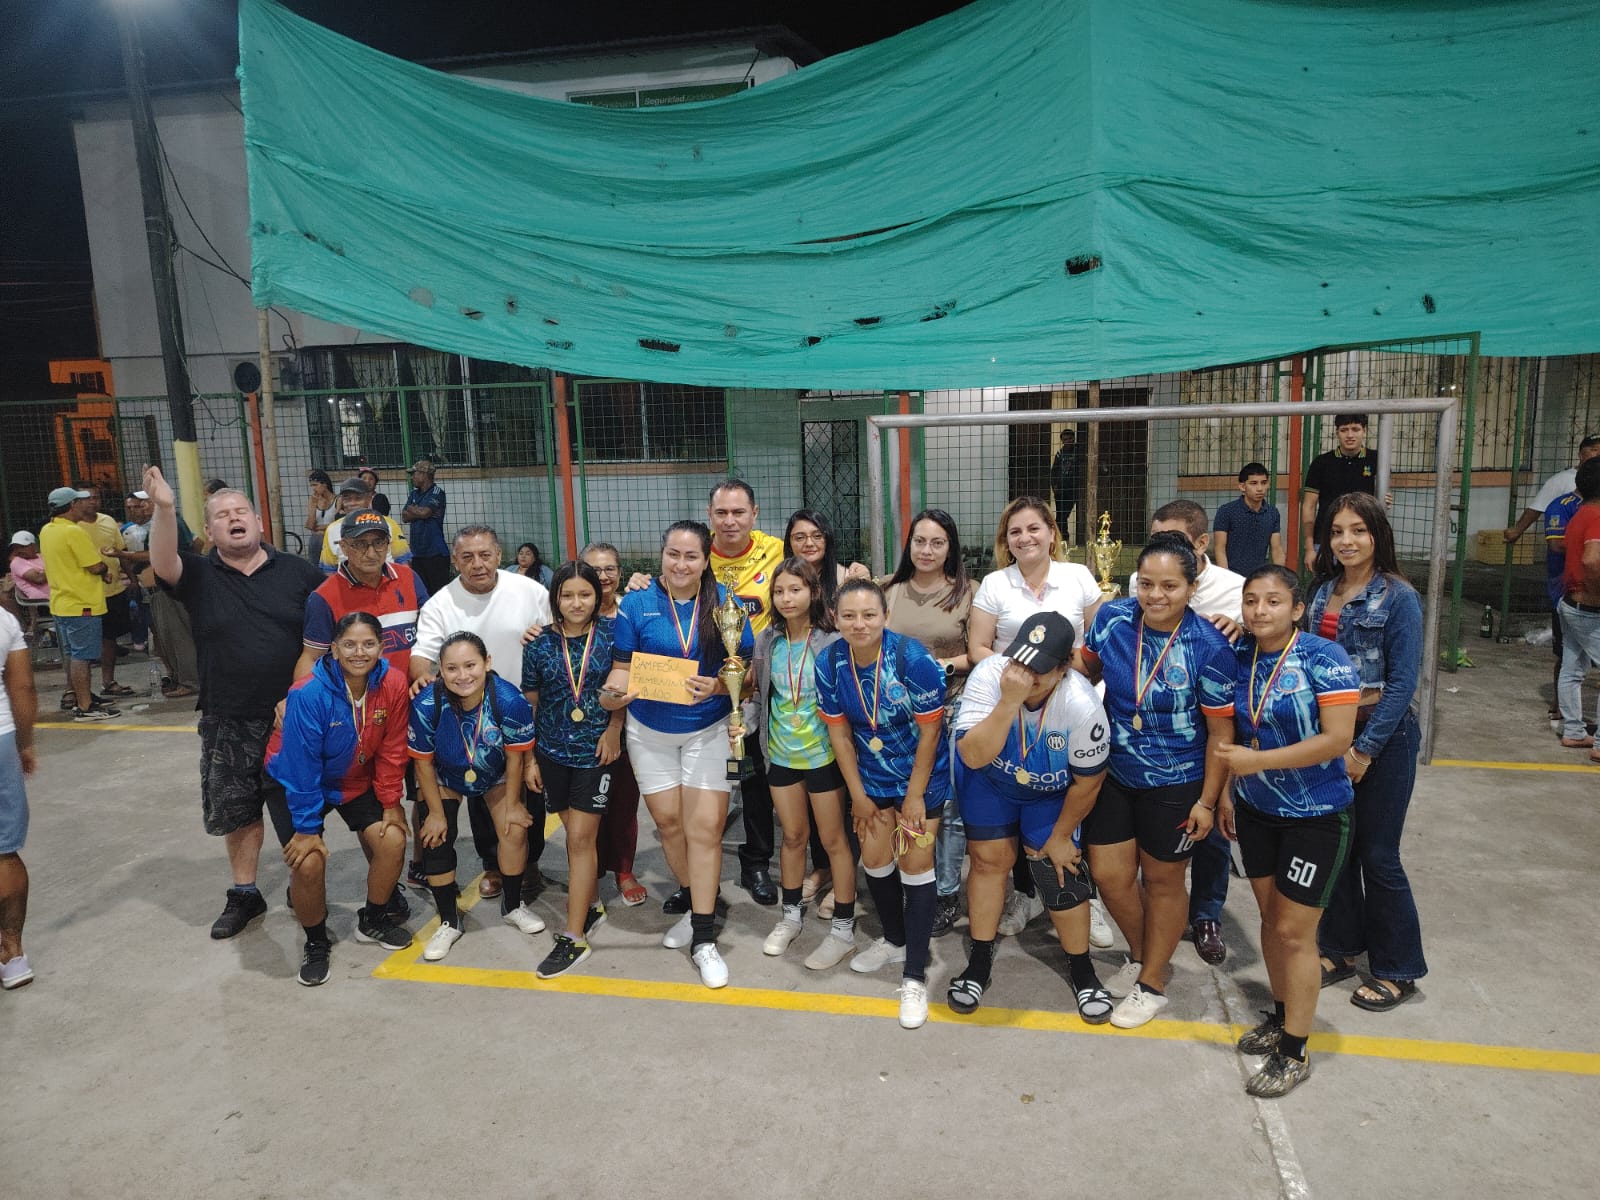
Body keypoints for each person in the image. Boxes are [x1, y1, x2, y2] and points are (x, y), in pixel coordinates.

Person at [145, 467, 326, 938]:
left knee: (297, 806)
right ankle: (245, 892)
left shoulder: (300, 573)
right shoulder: (199, 574)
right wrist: (164, 508)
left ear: (259, 522)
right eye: (222, 515)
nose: (233, 518)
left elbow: (327, 637)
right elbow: (162, 561)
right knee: (238, 809)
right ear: (210, 532)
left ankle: (302, 883)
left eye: (241, 511)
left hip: (293, 718)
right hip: (227, 716)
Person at [1079, 532, 1234, 1029]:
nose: (1155, 595)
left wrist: (1208, 801)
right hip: (1113, 770)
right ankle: (1146, 956)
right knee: (1109, 875)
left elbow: (1220, 733)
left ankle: (1152, 983)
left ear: (1192, 588)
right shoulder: (1113, 619)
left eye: (1170, 586)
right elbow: (1086, 669)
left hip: (1178, 781)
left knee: (1164, 880)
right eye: (1146, 583)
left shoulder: (1210, 646)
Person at [1219, 565, 1361, 1097]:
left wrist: (1257, 762)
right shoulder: (1239, 655)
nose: (1260, 610)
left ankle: (1296, 1051)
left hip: (1316, 817)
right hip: (1257, 811)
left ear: (1297, 609)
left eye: (1274, 601)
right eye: (1251, 600)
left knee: (1295, 933)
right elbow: (1233, 730)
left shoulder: (1326, 658)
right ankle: (1282, 1018)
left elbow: (1337, 739)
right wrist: (1230, 791)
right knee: (1270, 921)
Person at [604, 521, 752, 988]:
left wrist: (720, 686)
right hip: (648, 731)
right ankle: (695, 901)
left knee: (703, 830)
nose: (681, 564)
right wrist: (612, 695)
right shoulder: (637, 604)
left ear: (706, 560)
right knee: (669, 824)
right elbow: (622, 668)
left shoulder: (726, 606)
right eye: (673, 554)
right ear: (661, 555)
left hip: (708, 730)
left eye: (691, 556)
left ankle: (704, 939)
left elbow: (746, 674)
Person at [950, 612, 1113, 1023]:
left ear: (1064, 668)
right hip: (990, 780)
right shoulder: (991, 675)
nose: (1025, 676)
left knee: (1059, 870)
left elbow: (1089, 783)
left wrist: (1060, 837)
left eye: (1039, 669)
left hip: (1051, 791)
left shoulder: (1082, 705)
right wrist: (1008, 702)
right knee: (988, 863)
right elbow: (972, 755)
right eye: (1020, 661)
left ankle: (1083, 970)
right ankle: (979, 962)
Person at [1308, 493, 1430, 1010]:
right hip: (1329, 736)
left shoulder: (1399, 598)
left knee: (1379, 855)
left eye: (1358, 530)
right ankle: (1340, 948)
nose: (1347, 541)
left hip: (1384, 739)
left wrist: (1364, 751)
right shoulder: (1322, 591)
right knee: (1338, 849)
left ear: (1377, 535)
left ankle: (1398, 968)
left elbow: (1401, 684)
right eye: (1337, 531)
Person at [816, 579, 951, 1030]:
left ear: (885, 617)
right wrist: (857, 795)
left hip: (921, 778)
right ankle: (894, 940)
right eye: (849, 616)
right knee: (874, 858)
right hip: (871, 778)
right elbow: (839, 734)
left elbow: (930, 732)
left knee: (914, 863)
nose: (859, 624)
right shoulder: (830, 662)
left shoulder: (912, 659)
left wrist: (914, 796)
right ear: (835, 618)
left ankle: (914, 976)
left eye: (869, 615)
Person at [968, 496, 1102, 938]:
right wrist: (1018, 678)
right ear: (1005, 541)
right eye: (1015, 532)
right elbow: (979, 648)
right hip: (1011, 703)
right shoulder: (995, 583)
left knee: (1074, 799)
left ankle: (1085, 897)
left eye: (1033, 528)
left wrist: (1061, 675)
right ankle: (1025, 895)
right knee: (1017, 795)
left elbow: (1098, 642)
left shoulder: (1078, 576)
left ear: (1051, 533)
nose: (1024, 538)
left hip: (1066, 702)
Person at [265, 612, 414, 985]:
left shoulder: (393, 683)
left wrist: (391, 801)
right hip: (296, 779)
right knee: (308, 862)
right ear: (332, 649)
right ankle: (316, 941)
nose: (359, 652)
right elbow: (301, 766)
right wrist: (306, 828)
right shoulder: (308, 693)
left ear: (382, 647)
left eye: (368, 644)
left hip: (354, 776)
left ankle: (373, 919)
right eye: (349, 644)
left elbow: (393, 747)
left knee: (393, 839)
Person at [411, 525, 551, 901]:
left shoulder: (530, 591)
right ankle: (492, 864)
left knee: (529, 790)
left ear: (498, 555)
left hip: (526, 708)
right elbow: (422, 655)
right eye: (467, 557)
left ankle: (529, 862)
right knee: (480, 791)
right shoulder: (440, 604)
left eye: (485, 555)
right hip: (468, 716)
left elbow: (558, 633)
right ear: (455, 561)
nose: (478, 564)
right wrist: (423, 679)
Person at [295, 509, 429, 900]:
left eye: (378, 542)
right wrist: (294, 700)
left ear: (390, 544)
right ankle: (384, 879)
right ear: (343, 547)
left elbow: (431, 636)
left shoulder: (410, 579)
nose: (371, 552)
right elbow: (311, 656)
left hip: (413, 711)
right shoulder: (324, 597)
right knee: (371, 801)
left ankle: (422, 865)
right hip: (361, 720)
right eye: (360, 544)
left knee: (424, 790)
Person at [1137, 501, 1245, 966]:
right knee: (1160, 836)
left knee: (1213, 823)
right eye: (1156, 537)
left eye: (1175, 538)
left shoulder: (1237, 589)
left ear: (1201, 543)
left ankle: (1206, 914)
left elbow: (1271, 635)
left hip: (1217, 724)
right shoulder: (1143, 584)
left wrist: (1242, 627)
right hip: (1162, 730)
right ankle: (1160, 909)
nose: (1163, 546)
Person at [737, 556, 859, 968]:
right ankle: (790, 917)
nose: (786, 598)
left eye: (795, 589)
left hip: (823, 755)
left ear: (813, 591)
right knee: (792, 837)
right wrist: (744, 725)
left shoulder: (833, 640)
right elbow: (760, 693)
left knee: (834, 840)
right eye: (779, 591)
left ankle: (843, 928)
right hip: (781, 754)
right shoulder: (767, 641)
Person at [409, 632, 540, 962]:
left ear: (487, 663)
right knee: (435, 837)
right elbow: (423, 764)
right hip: (445, 776)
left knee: (514, 829)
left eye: (471, 665)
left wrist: (513, 804)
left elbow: (514, 757)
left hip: (495, 774)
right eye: (452, 668)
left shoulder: (509, 700)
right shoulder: (426, 705)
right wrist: (435, 814)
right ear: (440, 669)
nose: (463, 675)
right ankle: (449, 921)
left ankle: (513, 905)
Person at [522, 561, 625, 978]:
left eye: (585, 594)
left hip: (595, 753)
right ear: (555, 599)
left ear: (598, 597)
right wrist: (530, 758)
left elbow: (623, 689)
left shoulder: (614, 636)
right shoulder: (539, 644)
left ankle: (574, 936)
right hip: (551, 753)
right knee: (575, 835)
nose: (577, 603)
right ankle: (592, 903)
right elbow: (531, 704)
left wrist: (614, 730)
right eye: (567, 595)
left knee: (580, 839)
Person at [882, 508, 972, 936]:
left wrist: (941, 667)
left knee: (947, 807)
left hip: (950, 708)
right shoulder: (888, 590)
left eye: (938, 542)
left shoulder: (967, 592)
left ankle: (946, 891)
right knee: (904, 803)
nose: (927, 550)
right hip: (896, 716)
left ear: (950, 547)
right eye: (920, 541)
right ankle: (915, 883)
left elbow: (979, 651)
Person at [1512, 436, 1600, 728]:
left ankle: (1573, 728)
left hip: (1576, 595)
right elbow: (1583, 557)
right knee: (1568, 657)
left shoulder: (1584, 511)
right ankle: (1570, 718)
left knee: (1572, 661)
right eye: (1593, 451)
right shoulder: (1576, 509)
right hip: (1576, 593)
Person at [581, 542, 646, 907]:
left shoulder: (632, 610)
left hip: (626, 720)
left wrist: (615, 728)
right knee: (585, 805)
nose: (602, 576)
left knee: (622, 800)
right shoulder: (570, 612)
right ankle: (588, 869)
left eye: (610, 569)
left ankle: (623, 869)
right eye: (594, 569)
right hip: (580, 725)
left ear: (621, 573)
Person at [38, 486, 118, 721]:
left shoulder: (47, 530)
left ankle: (84, 696)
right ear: (72, 505)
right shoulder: (73, 532)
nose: (86, 504)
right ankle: (85, 706)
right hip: (82, 603)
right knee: (82, 656)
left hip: (61, 603)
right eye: (81, 501)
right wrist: (104, 570)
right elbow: (94, 565)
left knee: (73, 654)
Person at [122, 491, 201, 698]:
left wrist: (124, 555)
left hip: (170, 587)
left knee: (179, 635)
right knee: (167, 636)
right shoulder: (161, 523)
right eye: (133, 507)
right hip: (162, 586)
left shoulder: (169, 521)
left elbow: (167, 552)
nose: (139, 509)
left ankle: (190, 681)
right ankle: (180, 678)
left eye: (142, 504)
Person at [1552, 458, 1600, 764]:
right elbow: (1592, 560)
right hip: (1588, 608)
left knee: (1572, 668)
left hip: (1569, 603)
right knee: (1573, 668)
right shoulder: (1597, 516)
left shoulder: (1581, 512)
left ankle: (1573, 730)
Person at [0, 607, 36, 989]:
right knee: (4, 850)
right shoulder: (4, 620)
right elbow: (22, 687)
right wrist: (25, 744)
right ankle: (12, 955)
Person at [77, 485, 137, 701]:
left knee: (109, 638)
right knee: (82, 645)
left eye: (96, 497)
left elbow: (121, 553)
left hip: (112, 591)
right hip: (85, 594)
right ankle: (78, 692)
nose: (93, 501)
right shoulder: (72, 527)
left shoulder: (108, 521)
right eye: (87, 498)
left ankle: (108, 682)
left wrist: (132, 578)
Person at [1301, 413, 1377, 564]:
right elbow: (1308, 506)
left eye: (1355, 429)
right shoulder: (1321, 463)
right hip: (1326, 540)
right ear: (1337, 432)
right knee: (1327, 579)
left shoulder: (1376, 460)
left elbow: (1382, 498)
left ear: (1364, 431)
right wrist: (1309, 548)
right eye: (1344, 430)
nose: (1350, 435)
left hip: (1363, 539)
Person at [320, 477, 411, 574]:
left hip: (386, 581)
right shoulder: (332, 529)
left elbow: (403, 563)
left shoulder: (388, 524)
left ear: (368, 499)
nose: (352, 503)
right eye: (347, 499)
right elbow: (329, 570)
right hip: (347, 582)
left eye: (358, 498)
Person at [1213, 462, 1285, 576]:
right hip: (1232, 575)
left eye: (1264, 483)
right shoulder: (1226, 511)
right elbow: (1219, 549)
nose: (1260, 488)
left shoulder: (1272, 513)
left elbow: (1277, 549)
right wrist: (1226, 578)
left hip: (1259, 576)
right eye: (1253, 483)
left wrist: (1281, 576)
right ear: (1242, 486)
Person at [402, 459, 450, 595]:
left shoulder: (437, 492)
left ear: (424, 474)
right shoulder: (414, 494)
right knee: (422, 594)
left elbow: (425, 513)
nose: (412, 477)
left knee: (438, 594)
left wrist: (414, 510)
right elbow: (405, 517)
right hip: (417, 553)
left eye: (414, 474)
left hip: (435, 553)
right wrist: (420, 512)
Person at [1050, 427, 1087, 546]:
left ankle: (1062, 538)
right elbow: (1054, 471)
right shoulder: (1060, 454)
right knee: (1061, 515)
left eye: (1070, 439)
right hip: (1061, 490)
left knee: (1064, 515)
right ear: (1062, 441)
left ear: (1074, 439)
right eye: (1065, 439)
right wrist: (1054, 487)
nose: (1068, 441)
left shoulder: (1078, 452)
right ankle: (1063, 539)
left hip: (1074, 489)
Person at [305, 470, 337, 553]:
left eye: (315, 485)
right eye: (312, 485)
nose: (313, 488)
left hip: (331, 538)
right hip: (316, 540)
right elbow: (309, 525)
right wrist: (313, 505)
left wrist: (317, 527)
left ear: (325, 484)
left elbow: (336, 524)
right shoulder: (313, 500)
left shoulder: (338, 500)